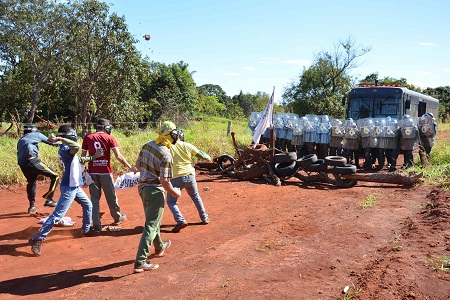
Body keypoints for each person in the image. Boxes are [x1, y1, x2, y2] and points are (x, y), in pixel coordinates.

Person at [28, 125, 102, 256]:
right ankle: (37, 238)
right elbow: (77, 147)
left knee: (88, 205)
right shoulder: (65, 149)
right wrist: (60, 139)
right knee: (57, 216)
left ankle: (85, 230)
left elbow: (79, 159)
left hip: (74, 186)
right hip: (69, 187)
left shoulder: (66, 149)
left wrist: (94, 156)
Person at [133, 121, 181, 272]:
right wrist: (175, 193)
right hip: (155, 191)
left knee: (153, 221)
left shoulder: (148, 145)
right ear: (172, 136)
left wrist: (148, 173)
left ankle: (159, 246)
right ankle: (140, 261)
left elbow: (138, 166)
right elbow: (164, 181)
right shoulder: (166, 155)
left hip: (143, 188)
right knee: (151, 225)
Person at [81, 118, 136, 233]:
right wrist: (130, 166)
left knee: (94, 199)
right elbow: (118, 156)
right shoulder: (110, 138)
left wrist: (82, 170)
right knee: (111, 196)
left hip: (92, 172)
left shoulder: (87, 137)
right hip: (106, 171)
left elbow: (82, 157)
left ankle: (96, 223)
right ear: (105, 127)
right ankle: (117, 217)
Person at [167, 129, 212, 233]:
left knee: (171, 201)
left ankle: (180, 220)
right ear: (180, 136)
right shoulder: (187, 145)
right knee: (195, 196)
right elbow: (204, 156)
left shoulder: (168, 147)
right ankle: (204, 218)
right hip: (190, 176)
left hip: (175, 178)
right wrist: (209, 158)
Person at [17, 124, 60, 214]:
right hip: (32, 160)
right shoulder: (36, 134)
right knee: (55, 176)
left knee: (31, 182)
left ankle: (31, 207)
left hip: (23, 164)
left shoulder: (21, 140)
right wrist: (65, 142)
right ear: (34, 130)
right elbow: (53, 143)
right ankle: (49, 199)